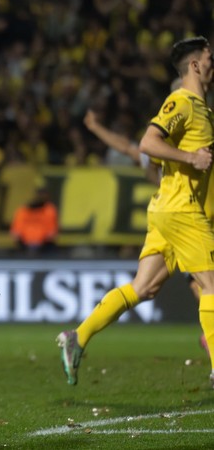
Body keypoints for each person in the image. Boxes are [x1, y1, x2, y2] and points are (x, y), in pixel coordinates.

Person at [57, 36, 214, 388]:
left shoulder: (202, 110)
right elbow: (147, 143)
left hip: (169, 211)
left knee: (144, 287)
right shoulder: (182, 101)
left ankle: (77, 337)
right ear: (194, 65)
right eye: (209, 57)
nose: (212, 63)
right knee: (212, 286)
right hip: (182, 210)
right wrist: (191, 157)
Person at [84, 106, 210, 356]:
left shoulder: (195, 141)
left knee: (146, 288)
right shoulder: (185, 147)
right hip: (188, 223)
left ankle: (79, 336)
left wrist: (96, 127)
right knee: (205, 288)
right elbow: (132, 148)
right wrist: (96, 128)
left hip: (185, 221)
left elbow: (131, 148)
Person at [9, 187, 58, 256]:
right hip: (24, 246)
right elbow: (16, 232)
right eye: (40, 196)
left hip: (43, 247)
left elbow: (51, 232)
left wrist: (43, 241)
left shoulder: (49, 210)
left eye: (44, 196)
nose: (41, 198)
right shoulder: (23, 210)